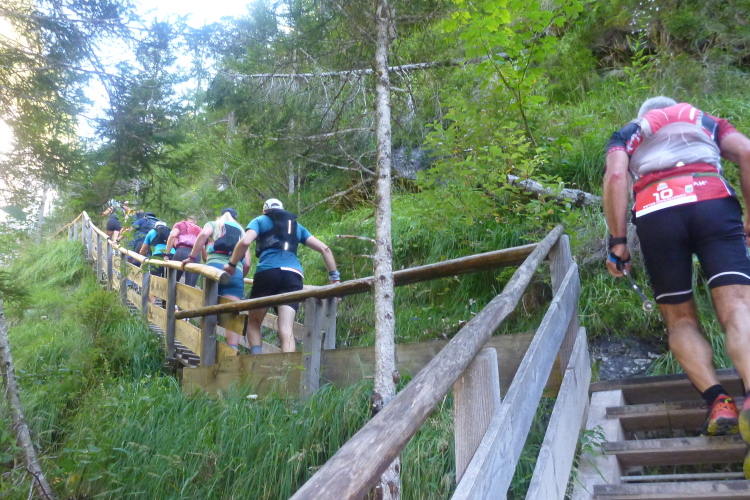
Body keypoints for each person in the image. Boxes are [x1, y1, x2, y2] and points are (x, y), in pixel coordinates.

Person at [603, 97, 750, 463]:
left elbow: (617, 176)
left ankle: (719, 402)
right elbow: (746, 152)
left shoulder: (630, 132)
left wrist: (618, 243)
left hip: (658, 211)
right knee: (738, 305)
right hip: (712, 202)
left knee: (680, 319)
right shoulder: (704, 119)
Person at [223, 198, 339, 354]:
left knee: (254, 323)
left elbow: (245, 242)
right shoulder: (296, 226)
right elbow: (325, 249)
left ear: (265, 210)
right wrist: (334, 279)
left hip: (268, 273)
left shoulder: (260, 220)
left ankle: (257, 362)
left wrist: (231, 265)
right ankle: (288, 367)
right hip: (293, 275)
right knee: (286, 328)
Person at [181, 208, 250, 350]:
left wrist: (192, 258)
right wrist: (238, 278)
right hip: (235, 273)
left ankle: (206, 349)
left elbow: (203, 235)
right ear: (235, 219)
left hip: (212, 270)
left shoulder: (214, 224)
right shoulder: (242, 233)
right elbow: (247, 263)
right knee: (232, 315)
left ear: (221, 216)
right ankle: (232, 352)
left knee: (209, 310)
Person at [165, 215, 204, 287]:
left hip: (181, 251)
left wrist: (167, 254)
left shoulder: (180, 224)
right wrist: (205, 260)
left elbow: (173, 235)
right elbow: (203, 246)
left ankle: (168, 294)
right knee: (190, 286)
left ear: (184, 219)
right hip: (195, 256)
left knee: (171, 281)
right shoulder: (200, 229)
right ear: (195, 221)